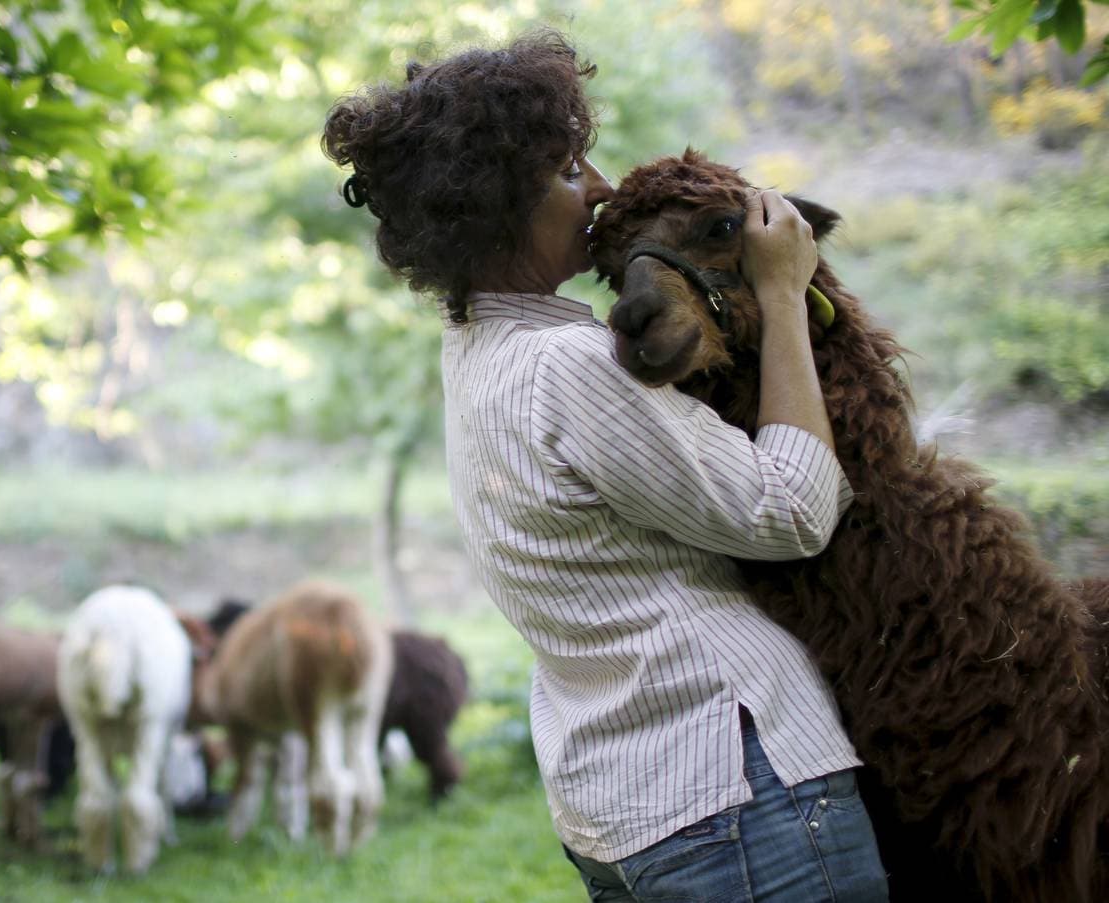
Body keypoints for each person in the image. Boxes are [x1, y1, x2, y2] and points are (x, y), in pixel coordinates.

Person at [322, 30, 888, 902]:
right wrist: (781, 296)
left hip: (625, 808)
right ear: (496, 203)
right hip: (736, 796)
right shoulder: (567, 365)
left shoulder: (476, 354)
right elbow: (790, 510)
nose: (598, 187)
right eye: (567, 169)